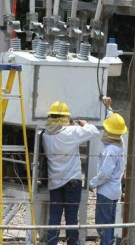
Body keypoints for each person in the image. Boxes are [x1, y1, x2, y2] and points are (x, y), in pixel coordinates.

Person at [42, 100, 99, 245]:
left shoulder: (45, 134)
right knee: (71, 218)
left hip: (55, 181)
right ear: (65, 117)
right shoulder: (71, 132)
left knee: (54, 217)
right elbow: (94, 131)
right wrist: (83, 123)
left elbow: (58, 131)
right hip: (72, 181)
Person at [89, 97, 127, 245]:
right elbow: (114, 124)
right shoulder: (120, 142)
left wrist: (92, 184)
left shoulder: (110, 150)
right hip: (115, 190)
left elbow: (105, 174)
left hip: (105, 191)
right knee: (110, 223)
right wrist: (109, 108)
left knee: (102, 225)